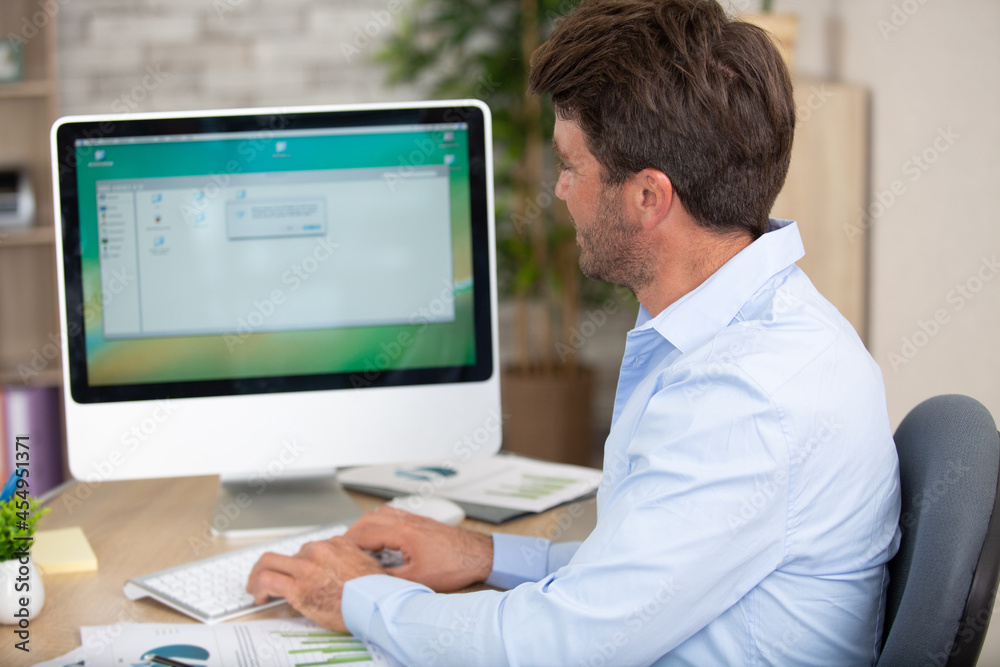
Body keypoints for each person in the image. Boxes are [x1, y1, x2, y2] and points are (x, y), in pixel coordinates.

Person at [247, 0, 902, 663]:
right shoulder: (740, 325)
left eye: (570, 165)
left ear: (649, 196)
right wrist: (487, 554)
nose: (559, 191)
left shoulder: (749, 398)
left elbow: (563, 645)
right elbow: (638, 576)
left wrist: (355, 594)